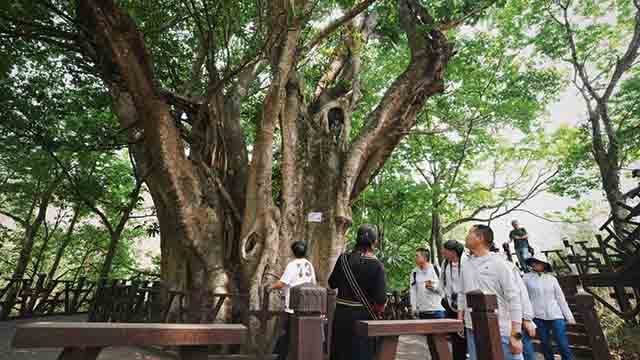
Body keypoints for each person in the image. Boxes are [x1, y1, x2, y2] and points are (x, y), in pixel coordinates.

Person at [458, 224, 524, 360]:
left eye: (469, 233)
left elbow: (514, 298)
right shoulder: (465, 264)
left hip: (501, 330)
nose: (466, 236)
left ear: (480, 238)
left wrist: (516, 335)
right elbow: (461, 293)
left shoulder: (499, 263)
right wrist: (460, 320)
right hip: (473, 329)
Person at [329, 224, 387, 360]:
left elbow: (332, 283)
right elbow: (380, 300)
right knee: (360, 353)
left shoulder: (343, 259)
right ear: (375, 242)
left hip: (341, 315)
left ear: (357, 239)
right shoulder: (377, 265)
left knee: (340, 352)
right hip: (363, 318)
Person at [524, 253, 576, 360]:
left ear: (544, 264)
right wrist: (527, 317)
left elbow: (560, 299)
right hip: (538, 316)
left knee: (562, 343)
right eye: (534, 262)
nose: (535, 264)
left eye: (538, 262)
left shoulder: (552, 279)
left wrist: (569, 316)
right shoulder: (526, 278)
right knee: (545, 344)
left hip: (556, 315)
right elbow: (524, 298)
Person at [271, 240, 317, 360]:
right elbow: (314, 284)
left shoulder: (292, 265)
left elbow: (282, 283)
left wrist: (270, 287)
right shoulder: (309, 265)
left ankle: (281, 357)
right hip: (307, 307)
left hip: (292, 307)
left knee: (286, 335)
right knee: (302, 335)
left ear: (292, 252)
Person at [410, 247, 445, 359]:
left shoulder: (436, 269)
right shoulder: (414, 272)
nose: (415, 258)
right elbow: (413, 291)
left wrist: (433, 287)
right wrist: (414, 307)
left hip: (437, 310)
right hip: (423, 310)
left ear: (424, 257)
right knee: (429, 341)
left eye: (417, 255)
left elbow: (443, 289)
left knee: (440, 340)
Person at [439, 240, 467, 360]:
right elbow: (441, 282)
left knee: (466, 335)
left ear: (453, 252)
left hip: (466, 306)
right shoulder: (445, 263)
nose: (443, 253)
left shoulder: (466, 262)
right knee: (455, 337)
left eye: (445, 251)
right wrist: (443, 295)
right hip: (451, 305)